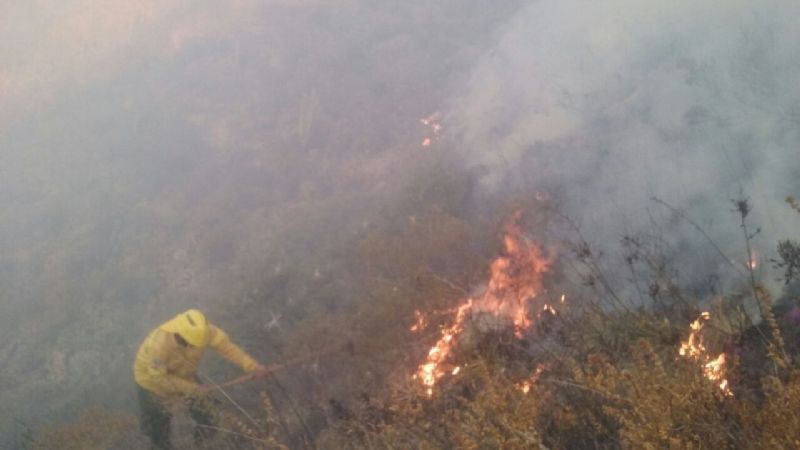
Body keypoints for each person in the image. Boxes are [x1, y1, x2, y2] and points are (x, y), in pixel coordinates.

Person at [133, 309, 269, 449]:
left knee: (209, 415)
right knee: (158, 430)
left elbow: (227, 348)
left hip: (185, 376)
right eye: (190, 344)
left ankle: (203, 444)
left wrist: (253, 366)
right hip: (151, 384)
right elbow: (158, 378)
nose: (194, 347)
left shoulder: (204, 331)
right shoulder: (159, 345)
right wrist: (194, 388)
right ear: (180, 335)